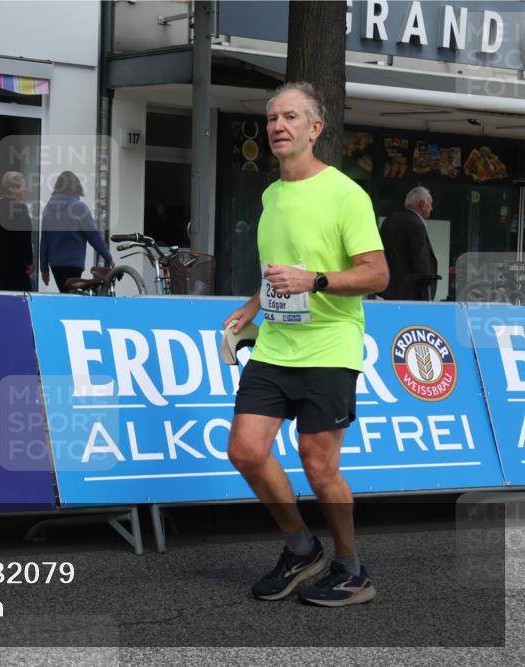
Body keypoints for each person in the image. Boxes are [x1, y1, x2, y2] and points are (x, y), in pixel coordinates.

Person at [223, 82, 389, 607]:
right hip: (276, 344)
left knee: (318, 466)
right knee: (245, 450)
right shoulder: (272, 195)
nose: (278, 126)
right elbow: (281, 269)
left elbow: (377, 274)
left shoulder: (346, 194)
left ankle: (351, 569)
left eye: (290, 117)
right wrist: (253, 304)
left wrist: (315, 281)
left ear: (315, 128)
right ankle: (300, 548)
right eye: (272, 118)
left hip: (329, 345)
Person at [39, 171, 113, 293]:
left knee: (66, 294)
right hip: (73, 263)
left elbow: (44, 241)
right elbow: (94, 236)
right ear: (76, 186)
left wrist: (44, 269)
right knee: (71, 295)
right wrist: (108, 257)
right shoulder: (79, 207)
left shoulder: (47, 209)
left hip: (55, 265)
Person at [378, 186, 439, 301]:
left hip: (389, 291)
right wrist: (426, 295)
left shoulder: (389, 220)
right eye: (430, 204)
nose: (431, 208)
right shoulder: (417, 225)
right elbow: (421, 263)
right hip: (412, 295)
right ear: (422, 204)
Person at [0, 171, 34, 291]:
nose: (25, 190)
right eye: (23, 186)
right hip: (15, 270)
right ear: (14, 188)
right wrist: (29, 262)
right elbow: (24, 239)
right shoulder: (20, 208)